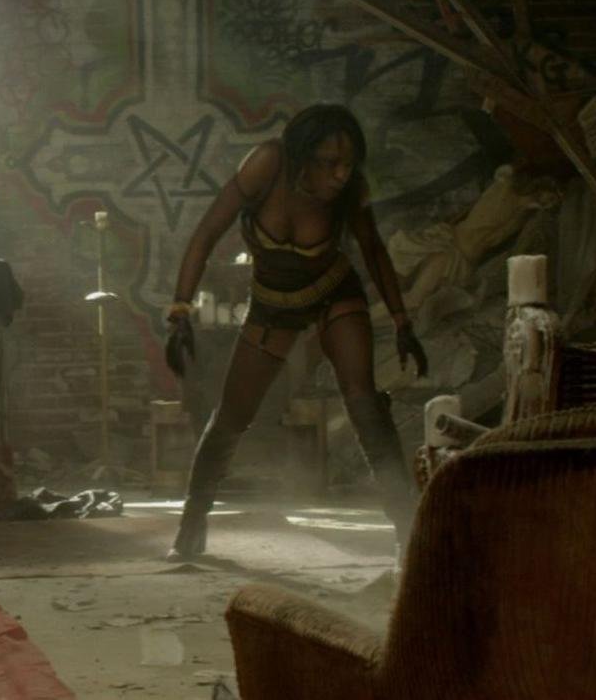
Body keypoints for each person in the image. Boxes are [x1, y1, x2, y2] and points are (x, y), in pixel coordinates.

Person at [163, 104, 428, 560]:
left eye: (348, 163)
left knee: (364, 401)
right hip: (273, 305)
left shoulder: (350, 190)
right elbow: (207, 233)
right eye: (329, 162)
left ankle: (407, 529)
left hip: (333, 293)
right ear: (302, 155)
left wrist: (402, 321)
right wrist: (180, 309)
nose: (341, 174)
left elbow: (372, 248)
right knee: (232, 415)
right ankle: (192, 521)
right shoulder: (267, 165)